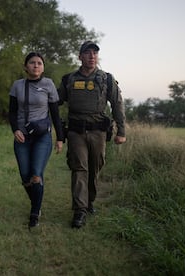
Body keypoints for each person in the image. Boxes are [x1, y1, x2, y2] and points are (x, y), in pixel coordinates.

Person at [58, 41, 126, 229]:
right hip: (76, 132)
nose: (91, 56)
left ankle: (89, 202)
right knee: (79, 168)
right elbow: (55, 101)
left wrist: (121, 131)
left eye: (94, 53)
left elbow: (117, 104)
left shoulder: (107, 79)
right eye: (87, 53)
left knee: (95, 167)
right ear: (80, 57)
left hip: (98, 131)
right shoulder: (69, 79)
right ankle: (79, 210)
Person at [8, 52, 64, 228]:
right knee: (25, 176)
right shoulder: (17, 86)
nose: (36, 66)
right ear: (26, 66)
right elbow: (11, 111)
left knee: (36, 173)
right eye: (32, 63)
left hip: (42, 137)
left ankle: (34, 212)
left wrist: (60, 138)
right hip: (22, 136)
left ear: (43, 67)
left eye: (39, 63)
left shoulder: (48, 85)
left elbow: (55, 113)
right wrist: (15, 129)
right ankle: (37, 200)